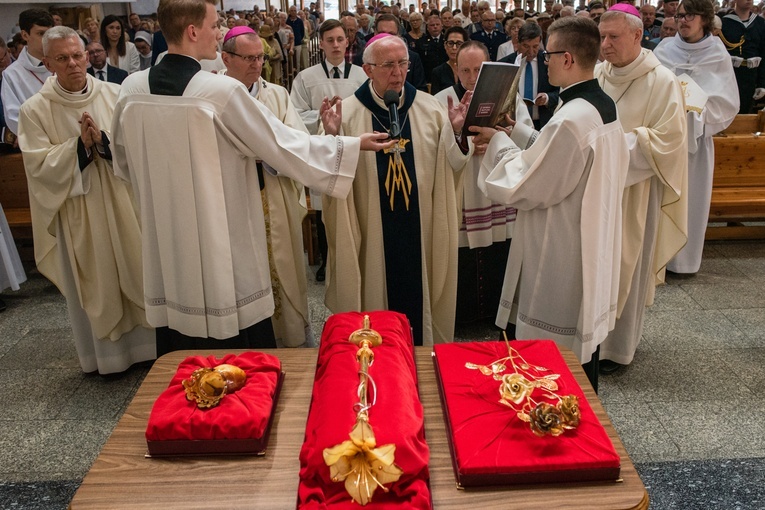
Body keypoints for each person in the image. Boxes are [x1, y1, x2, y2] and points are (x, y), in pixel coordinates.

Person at [110, 0, 391, 355]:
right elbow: (280, 145)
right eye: (215, 26)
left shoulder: (132, 91)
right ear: (193, 31)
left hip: (165, 236)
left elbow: (122, 161)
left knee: (180, 324)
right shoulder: (219, 93)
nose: (220, 32)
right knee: (229, 314)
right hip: (219, 234)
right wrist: (348, 146)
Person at [471, 16, 629, 390]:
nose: (544, 61)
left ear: (569, 58)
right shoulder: (598, 105)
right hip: (586, 237)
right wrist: (520, 132)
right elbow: (555, 156)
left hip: (560, 247)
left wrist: (496, 141)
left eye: (549, 54)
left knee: (550, 359)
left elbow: (528, 185)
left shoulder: (572, 119)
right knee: (578, 355)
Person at [18, 26, 155, 374]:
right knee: (97, 279)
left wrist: (104, 142)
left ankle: (151, 348)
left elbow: (139, 145)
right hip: (79, 209)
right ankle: (106, 360)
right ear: (48, 63)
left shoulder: (114, 94)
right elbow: (37, 164)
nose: (73, 64)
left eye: (77, 55)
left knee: (136, 264)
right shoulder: (34, 110)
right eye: (62, 58)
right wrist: (79, 147)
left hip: (124, 201)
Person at [322, 33, 471, 346]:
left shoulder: (431, 110)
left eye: (403, 63)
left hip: (422, 227)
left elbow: (452, 167)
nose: (398, 73)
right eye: (388, 65)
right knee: (377, 302)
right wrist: (332, 139)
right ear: (367, 69)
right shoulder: (345, 115)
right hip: (372, 229)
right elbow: (328, 176)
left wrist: (457, 134)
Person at [595, 6, 688, 373]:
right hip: (595, 189)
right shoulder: (599, 74)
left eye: (613, 37)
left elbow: (669, 140)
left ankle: (618, 349)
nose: (604, 45)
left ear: (637, 35)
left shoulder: (662, 81)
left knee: (626, 265)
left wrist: (611, 147)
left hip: (635, 191)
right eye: (602, 37)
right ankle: (591, 340)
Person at [221, 26, 314, 347]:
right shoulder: (213, 95)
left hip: (273, 191)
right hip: (233, 198)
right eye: (248, 58)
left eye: (260, 57)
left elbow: (297, 142)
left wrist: (268, 154)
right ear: (226, 58)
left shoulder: (277, 95)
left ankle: (289, 332)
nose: (256, 64)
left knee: (283, 263)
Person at [435, 41, 531, 325]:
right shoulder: (442, 100)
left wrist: (499, 136)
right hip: (465, 190)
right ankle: (464, 315)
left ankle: (497, 313)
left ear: (489, 67)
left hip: (498, 190)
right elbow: (435, 147)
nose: (472, 77)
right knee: (465, 254)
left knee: (499, 251)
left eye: (479, 69)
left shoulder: (509, 98)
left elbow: (528, 136)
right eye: (465, 70)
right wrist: (460, 139)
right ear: (455, 69)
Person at [656, 0, 739, 274]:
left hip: (696, 143)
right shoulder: (665, 48)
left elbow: (726, 101)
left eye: (689, 15)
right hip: (663, 139)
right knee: (659, 198)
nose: (682, 20)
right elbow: (650, 86)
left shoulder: (718, 54)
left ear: (705, 18)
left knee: (691, 200)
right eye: (680, 15)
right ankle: (657, 259)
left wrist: (696, 113)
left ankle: (683, 264)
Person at [291, 19, 368, 282]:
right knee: (326, 207)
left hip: (357, 147)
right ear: (321, 43)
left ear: (347, 42)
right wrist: (324, 115)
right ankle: (327, 260)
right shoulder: (306, 77)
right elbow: (296, 114)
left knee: (358, 203)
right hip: (324, 149)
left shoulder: (362, 75)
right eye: (330, 40)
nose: (335, 45)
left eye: (340, 39)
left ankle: (359, 257)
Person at [1, 9, 54, 138]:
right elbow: (14, 118)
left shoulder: (64, 63)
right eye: (41, 34)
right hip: (38, 143)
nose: (47, 39)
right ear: (25, 35)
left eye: (50, 34)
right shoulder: (12, 75)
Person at [499, 22, 559, 129]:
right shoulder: (505, 64)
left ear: (540, 42)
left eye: (535, 46)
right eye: (526, 46)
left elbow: (559, 91)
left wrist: (547, 98)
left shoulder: (548, 62)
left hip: (542, 124)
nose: (531, 52)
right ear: (518, 42)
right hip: (513, 124)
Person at [720, 0, 765, 113]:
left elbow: (763, 54)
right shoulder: (724, 22)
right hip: (729, 75)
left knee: (745, 112)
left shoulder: (760, 23)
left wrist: (762, 84)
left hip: (751, 76)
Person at [430, 26, 468, 94]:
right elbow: (435, 99)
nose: (454, 47)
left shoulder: (472, 69)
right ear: (445, 45)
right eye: (450, 43)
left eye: (459, 44)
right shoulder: (438, 72)